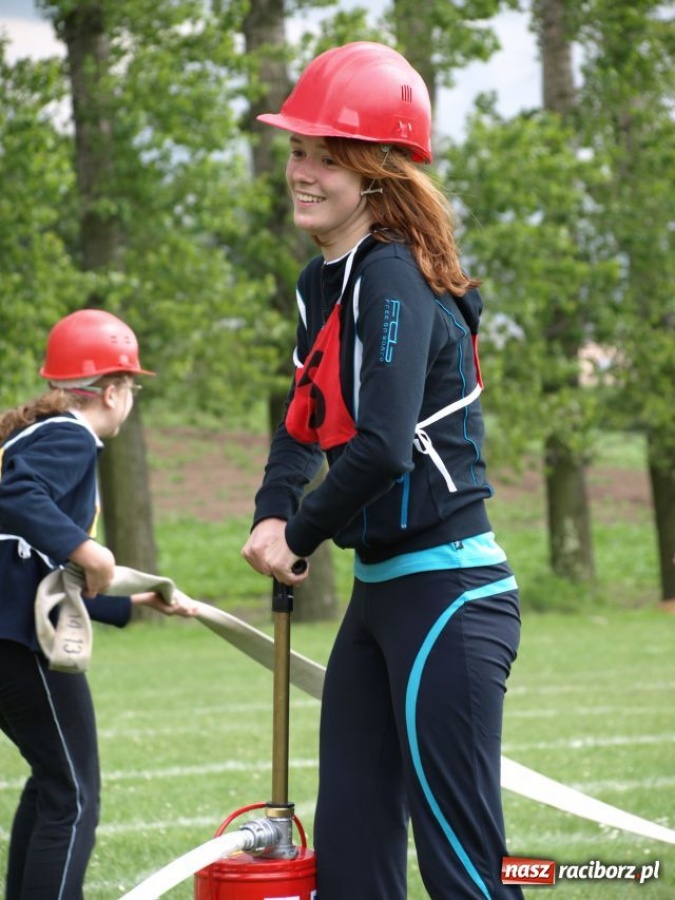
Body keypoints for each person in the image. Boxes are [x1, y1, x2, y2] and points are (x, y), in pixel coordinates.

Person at [241, 41, 523, 900]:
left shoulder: (392, 276)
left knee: (466, 876)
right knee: (354, 865)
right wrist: (269, 511)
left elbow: (382, 447)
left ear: (374, 173)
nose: (303, 172)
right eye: (297, 150)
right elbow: (303, 422)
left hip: (449, 599)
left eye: (327, 157)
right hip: (379, 596)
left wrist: (300, 534)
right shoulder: (320, 281)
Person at [0, 309, 195, 900]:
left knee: (54, 781)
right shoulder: (69, 436)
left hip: (12, 633)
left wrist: (128, 600)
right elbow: (13, 496)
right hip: (16, 644)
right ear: (112, 391)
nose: (130, 398)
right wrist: (87, 546)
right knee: (75, 796)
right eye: (132, 387)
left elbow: (35, 567)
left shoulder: (34, 435)